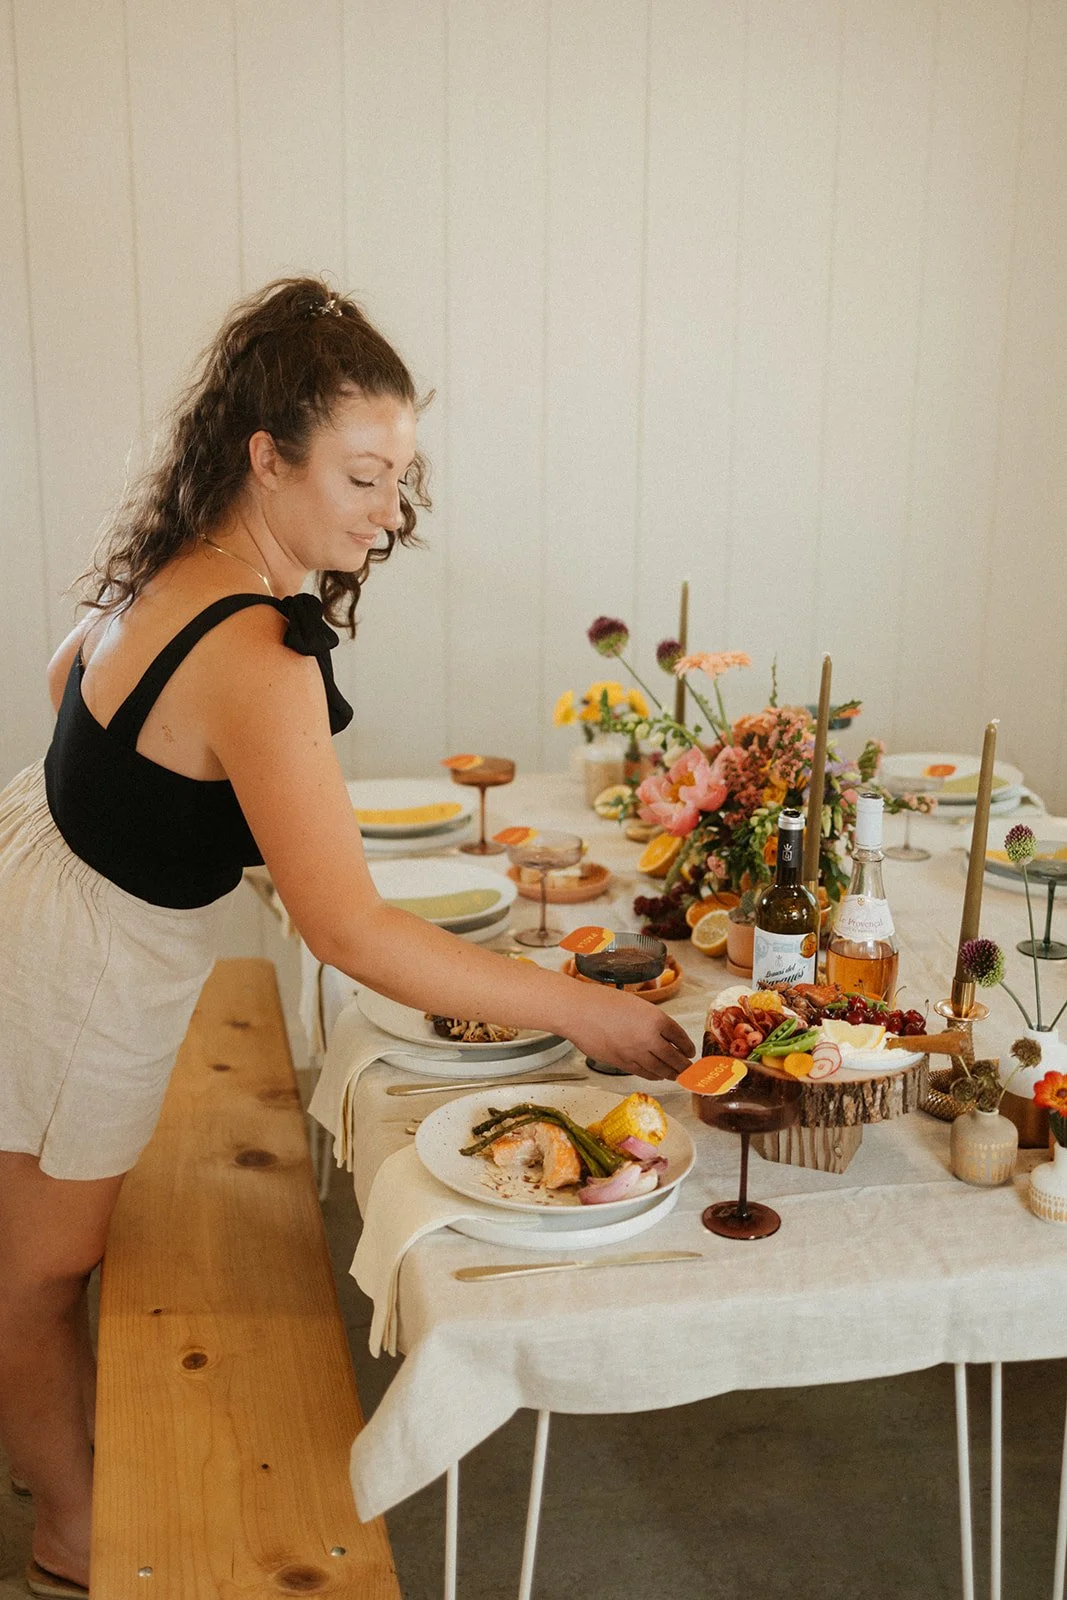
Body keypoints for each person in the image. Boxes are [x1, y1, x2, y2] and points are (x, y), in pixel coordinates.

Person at [0, 277, 695, 1595]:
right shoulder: (258, 649)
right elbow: (351, 932)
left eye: (401, 478)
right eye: (364, 478)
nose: (390, 514)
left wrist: (180, 805)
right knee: (38, 1274)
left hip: (35, 871)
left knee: (33, 1260)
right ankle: (73, 1536)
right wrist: (583, 1009)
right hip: (80, 963)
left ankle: (52, 1474)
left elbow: (63, 687)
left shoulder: (179, 558)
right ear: (267, 457)